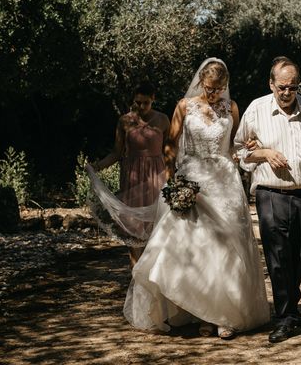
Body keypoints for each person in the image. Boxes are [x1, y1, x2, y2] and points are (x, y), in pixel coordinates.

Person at [124, 58, 270, 339]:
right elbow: (171, 144)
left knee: (227, 248)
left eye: (218, 89)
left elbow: (235, 146)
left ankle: (225, 316)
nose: (213, 94)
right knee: (196, 247)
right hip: (193, 179)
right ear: (201, 82)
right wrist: (173, 179)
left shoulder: (232, 107)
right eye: (208, 88)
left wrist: (249, 146)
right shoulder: (184, 106)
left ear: (225, 85)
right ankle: (203, 315)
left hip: (225, 182)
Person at [234, 56, 301, 343]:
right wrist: (263, 153)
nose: (288, 93)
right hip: (270, 194)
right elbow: (239, 151)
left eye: (293, 87)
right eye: (282, 88)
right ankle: (286, 316)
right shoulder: (256, 109)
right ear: (271, 84)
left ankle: (290, 304)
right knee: (277, 258)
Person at [91, 82, 170, 267]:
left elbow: (170, 151)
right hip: (132, 175)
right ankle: (136, 277)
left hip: (156, 176)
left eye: (145, 103)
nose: (141, 107)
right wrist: (96, 167)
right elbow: (116, 152)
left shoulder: (163, 120)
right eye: (137, 103)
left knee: (156, 226)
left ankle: (153, 275)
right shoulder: (124, 121)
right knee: (133, 227)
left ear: (153, 99)